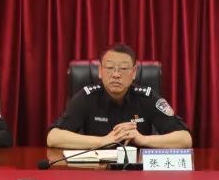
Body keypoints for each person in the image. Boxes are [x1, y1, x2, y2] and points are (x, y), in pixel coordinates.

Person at [47, 43, 192, 149]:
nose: (116, 74)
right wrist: (104, 141)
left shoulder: (147, 96)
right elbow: (53, 137)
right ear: (100, 71)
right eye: (110, 68)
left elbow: (185, 139)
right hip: (96, 172)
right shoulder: (86, 96)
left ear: (134, 72)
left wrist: (142, 139)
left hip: (137, 173)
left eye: (123, 68)